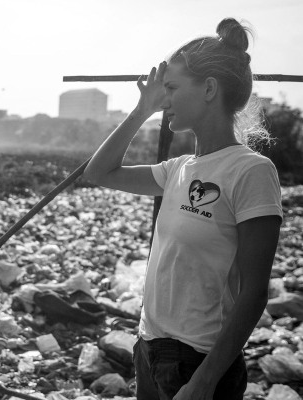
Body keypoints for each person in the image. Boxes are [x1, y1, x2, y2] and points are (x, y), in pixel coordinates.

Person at [83, 18, 283, 400]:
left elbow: (255, 293)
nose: (165, 99)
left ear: (209, 89)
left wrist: (204, 382)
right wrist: (143, 108)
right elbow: (99, 172)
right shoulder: (177, 168)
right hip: (150, 346)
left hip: (199, 361)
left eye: (172, 88)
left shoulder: (251, 171)